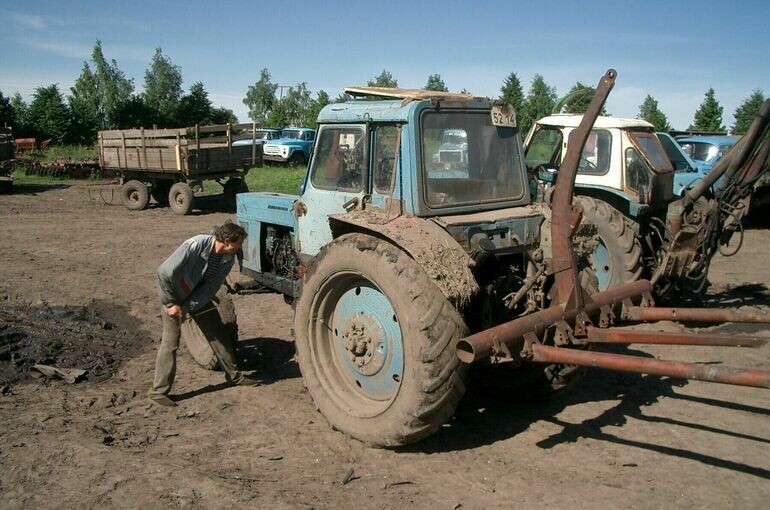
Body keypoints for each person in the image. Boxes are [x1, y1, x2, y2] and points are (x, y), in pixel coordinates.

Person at [149, 221, 258, 407]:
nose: (240, 247)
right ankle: (158, 392)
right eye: (239, 243)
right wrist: (172, 303)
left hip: (196, 298)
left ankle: (233, 376)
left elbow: (210, 288)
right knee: (170, 343)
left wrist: (188, 307)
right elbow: (164, 272)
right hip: (173, 297)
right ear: (226, 240)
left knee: (219, 335)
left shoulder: (227, 259)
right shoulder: (196, 245)